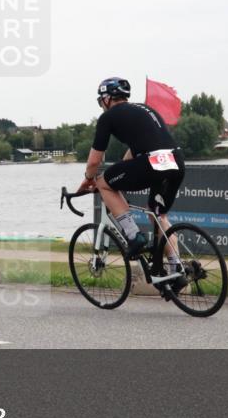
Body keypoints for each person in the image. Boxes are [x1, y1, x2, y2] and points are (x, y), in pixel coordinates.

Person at [76, 77, 186, 287]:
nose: (101, 105)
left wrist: (90, 181)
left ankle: (134, 236)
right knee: (158, 215)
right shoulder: (145, 109)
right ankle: (176, 269)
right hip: (176, 162)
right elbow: (133, 153)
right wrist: (118, 174)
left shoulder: (108, 118)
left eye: (101, 101)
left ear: (107, 99)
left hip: (152, 162)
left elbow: (93, 161)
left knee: (102, 182)